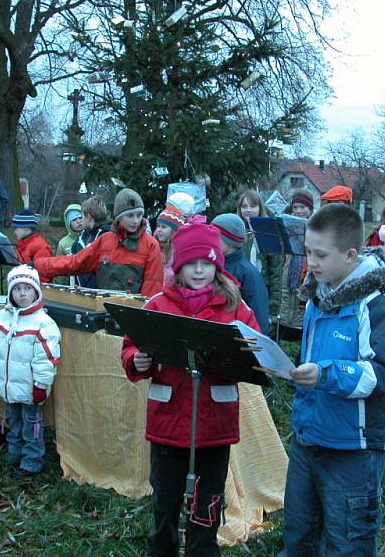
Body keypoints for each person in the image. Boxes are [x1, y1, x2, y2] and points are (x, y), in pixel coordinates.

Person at [121, 221, 261, 556]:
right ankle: (163, 547)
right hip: (168, 423)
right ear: (178, 266)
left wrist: (239, 360)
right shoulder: (158, 305)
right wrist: (136, 361)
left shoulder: (235, 308)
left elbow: (256, 350)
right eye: (191, 264)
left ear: (218, 265)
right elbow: (131, 345)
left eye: (207, 263)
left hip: (215, 426)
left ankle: (203, 547)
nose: (199, 271)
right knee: (165, 498)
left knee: (208, 500)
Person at [280, 204, 385, 557]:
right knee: (298, 533)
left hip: (354, 447)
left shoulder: (378, 304)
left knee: (347, 542)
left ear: (351, 255)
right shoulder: (317, 297)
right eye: (307, 252)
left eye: (320, 254)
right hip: (308, 436)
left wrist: (325, 374)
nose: (312, 262)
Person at [0, 265, 61, 478]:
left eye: (27, 288)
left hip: (30, 389)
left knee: (31, 426)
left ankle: (32, 460)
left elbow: (48, 359)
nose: (22, 293)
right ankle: (14, 452)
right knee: (12, 421)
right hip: (8, 386)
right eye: (17, 289)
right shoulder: (0, 319)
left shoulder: (44, 323)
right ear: (10, 292)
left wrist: (41, 386)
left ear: (36, 291)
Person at [35, 188, 163, 297]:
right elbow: (75, 263)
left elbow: (152, 289)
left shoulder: (151, 245)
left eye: (139, 215)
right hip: (102, 313)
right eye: (130, 216)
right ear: (118, 217)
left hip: (131, 317)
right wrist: (38, 265)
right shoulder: (105, 240)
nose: (136, 221)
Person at [211, 213, 270, 335]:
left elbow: (259, 317)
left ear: (230, 241)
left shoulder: (248, 273)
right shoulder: (211, 265)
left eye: (215, 236)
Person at [236, 189, 280, 317]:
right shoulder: (236, 231)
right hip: (239, 288)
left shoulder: (268, 232)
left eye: (253, 206)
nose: (248, 210)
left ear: (260, 208)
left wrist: (274, 304)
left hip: (261, 288)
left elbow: (275, 271)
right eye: (244, 206)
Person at [278, 190, 313, 337]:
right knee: (287, 298)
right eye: (295, 207)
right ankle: (286, 327)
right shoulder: (286, 226)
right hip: (288, 275)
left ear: (310, 209)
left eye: (302, 207)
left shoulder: (316, 228)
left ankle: (300, 330)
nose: (298, 211)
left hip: (306, 273)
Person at [72, 195, 110, 288]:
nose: (80, 220)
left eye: (81, 217)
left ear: (88, 217)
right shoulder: (81, 238)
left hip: (99, 295)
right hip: (81, 293)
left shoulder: (107, 237)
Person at [11, 209, 52, 283]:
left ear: (26, 228)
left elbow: (44, 276)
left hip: (36, 288)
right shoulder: (21, 244)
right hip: (23, 284)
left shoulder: (40, 246)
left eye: (17, 228)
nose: (15, 231)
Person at [154, 203, 186, 285]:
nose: (159, 230)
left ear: (174, 231)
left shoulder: (177, 251)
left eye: (163, 227)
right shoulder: (155, 246)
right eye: (158, 226)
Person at [53, 203, 83, 285]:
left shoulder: (91, 237)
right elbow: (59, 267)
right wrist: (59, 286)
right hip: (70, 285)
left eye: (80, 217)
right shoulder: (63, 243)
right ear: (68, 223)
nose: (78, 221)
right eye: (74, 219)